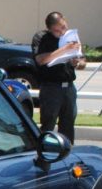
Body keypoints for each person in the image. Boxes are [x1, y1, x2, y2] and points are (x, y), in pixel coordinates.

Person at [32, 12, 86, 143]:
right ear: (49, 29)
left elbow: (82, 61)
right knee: (48, 123)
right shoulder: (42, 38)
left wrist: (78, 63)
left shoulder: (70, 36)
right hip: (51, 87)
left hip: (68, 87)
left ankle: (67, 152)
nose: (61, 32)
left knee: (68, 124)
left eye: (63, 27)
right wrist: (65, 49)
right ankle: (44, 152)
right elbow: (41, 59)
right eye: (57, 30)